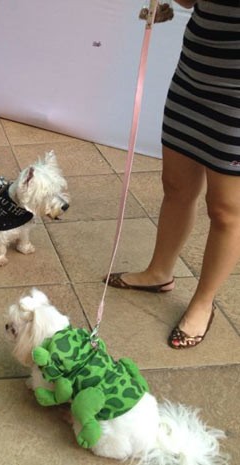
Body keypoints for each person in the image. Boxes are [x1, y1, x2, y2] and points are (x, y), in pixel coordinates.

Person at [107, 0, 240, 350]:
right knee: (176, 186)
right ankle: (159, 272)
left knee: (225, 209)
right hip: (193, 76)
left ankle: (203, 301)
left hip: (236, 96)